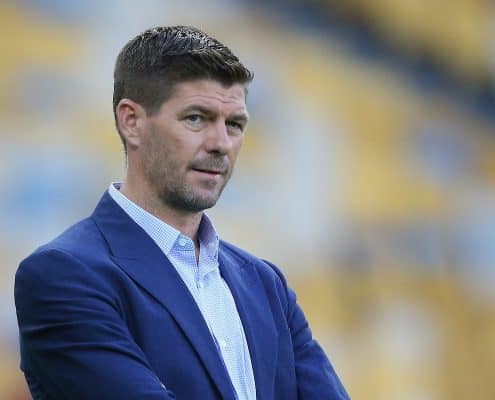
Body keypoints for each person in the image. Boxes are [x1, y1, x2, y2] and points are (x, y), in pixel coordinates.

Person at [14, 26, 349, 400]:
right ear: (132, 122)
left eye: (234, 124)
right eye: (196, 118)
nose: (221, 143)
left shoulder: (266, 285)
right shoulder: (63, 275)